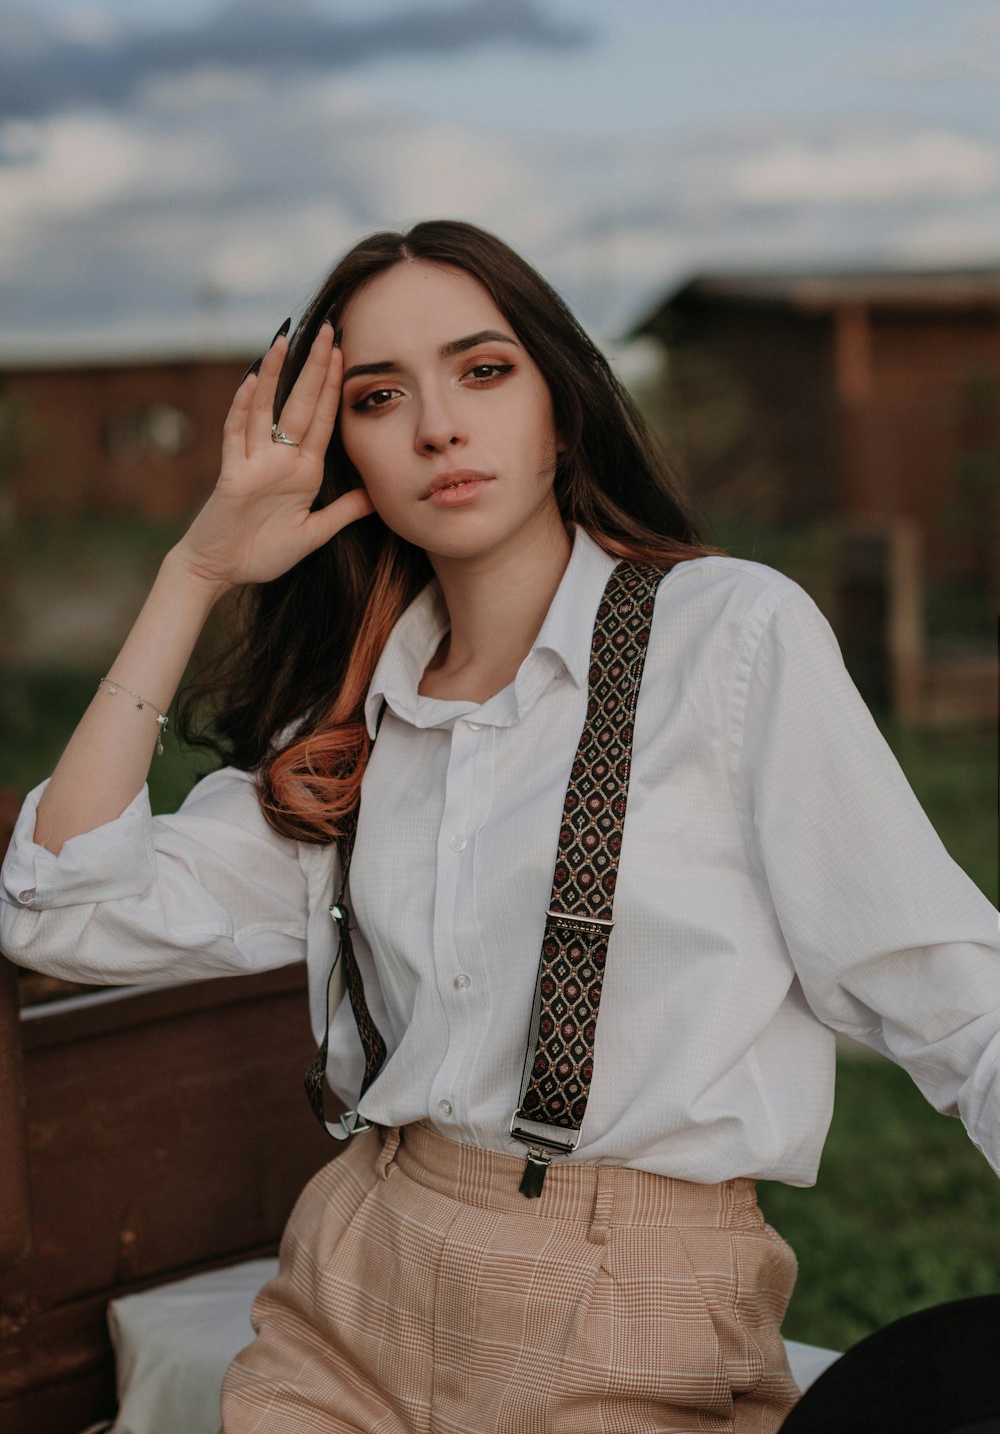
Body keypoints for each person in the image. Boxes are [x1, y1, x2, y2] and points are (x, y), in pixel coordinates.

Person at [1, 219, 997, 1434]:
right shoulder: (350, 724)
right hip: (352, 1290)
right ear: (343, 444)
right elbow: (67, 914)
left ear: (561, 402)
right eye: (379, 395)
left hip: (637, 1309)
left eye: (482, 371)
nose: (437, 427)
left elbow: (950, 988)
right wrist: (196, 572)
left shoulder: (727, 635)